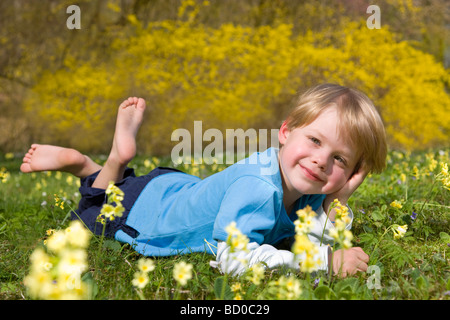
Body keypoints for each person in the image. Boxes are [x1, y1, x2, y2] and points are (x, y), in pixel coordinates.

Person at [20, 83, 387, 277]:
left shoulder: (307, 185)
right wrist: (325, 262)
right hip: (147, 213)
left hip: (178, 190)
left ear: (353, 172)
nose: (321, 160)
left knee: (120, 189)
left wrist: (336, 203)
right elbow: (233, 260)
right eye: (314, 140)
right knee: (95, 213)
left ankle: (105, 165)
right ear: (286, 131)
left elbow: (307, 239)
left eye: (340, 159)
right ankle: (95, 163)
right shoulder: (259, 190)